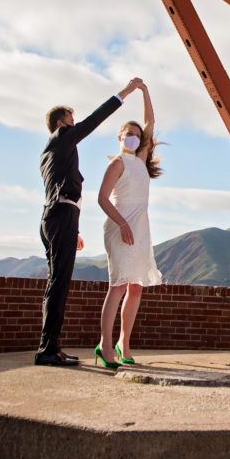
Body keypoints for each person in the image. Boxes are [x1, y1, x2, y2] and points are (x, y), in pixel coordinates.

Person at [36, 77, 142, 367]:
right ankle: (47, 350)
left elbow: (60, 187)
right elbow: (96, 119)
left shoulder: (50, 153)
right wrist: (126, 93)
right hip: (61, 216)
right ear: (61, 124)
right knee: (58, 282)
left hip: (56, 217)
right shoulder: (62, 138)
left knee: (56, 282)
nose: (75, 124)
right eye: (72, 120)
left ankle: (52, 347)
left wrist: (75, 228)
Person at [95, 80, 162, 368]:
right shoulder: (117, 164)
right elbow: (102, 199)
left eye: (137, 135)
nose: (134, 138)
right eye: (128, 135)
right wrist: (122, 224)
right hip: (120, 226)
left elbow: (150, 121)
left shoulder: (141, 159)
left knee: (137, 287)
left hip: (141, 228)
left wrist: (145, 91)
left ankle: (125, 343)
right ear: (119, 138)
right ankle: (105, 346)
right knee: (118, 286)